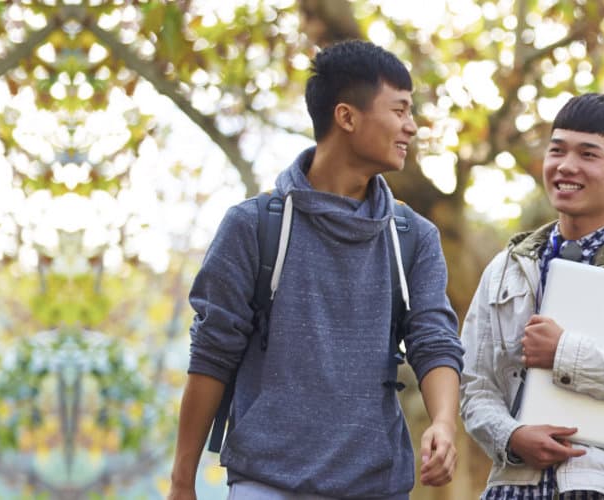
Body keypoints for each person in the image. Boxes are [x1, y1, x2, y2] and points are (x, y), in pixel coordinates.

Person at [170, 40, 463, 499]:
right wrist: (181, 483)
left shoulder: (413, 237)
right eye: (400, 110)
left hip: (376, 486)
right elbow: (212, 354)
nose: (411, 127)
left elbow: (434, 338)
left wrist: (444, 423)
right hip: (266, 484)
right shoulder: (252, 226)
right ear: (347, 117)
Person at [457, 93, 604, 499]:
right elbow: (473, 385)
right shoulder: (504, 269)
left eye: (588, 154)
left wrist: (565, 352)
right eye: (557, 151)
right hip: (510, 489)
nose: (567, 166)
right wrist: (512, 436)